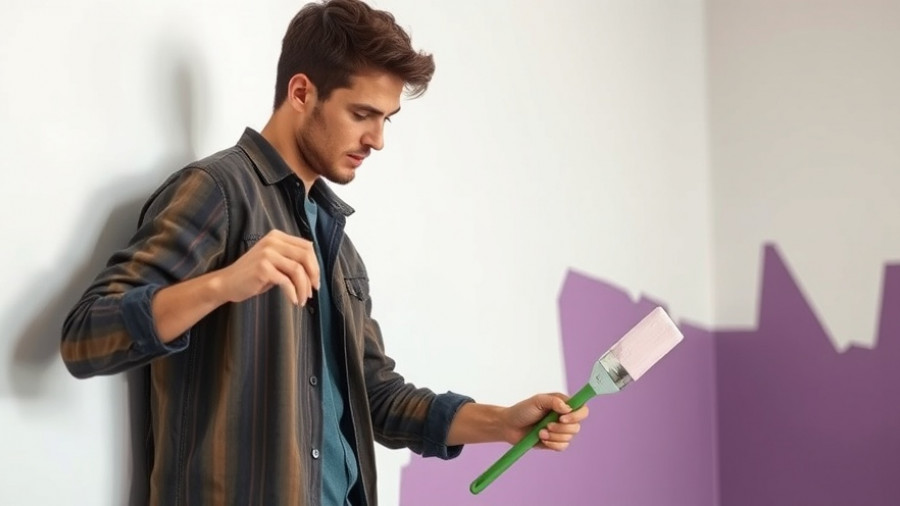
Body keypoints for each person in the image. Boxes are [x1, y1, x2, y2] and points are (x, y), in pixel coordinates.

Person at [60, 1, 588, 504]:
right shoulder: (217, 192)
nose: (377, 139)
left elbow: (377, 397)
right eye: (362, 113)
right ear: (301, 92)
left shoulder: (338, 245)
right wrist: (223, 284)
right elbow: (87, 336)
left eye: (387, 118)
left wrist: (502, 422)